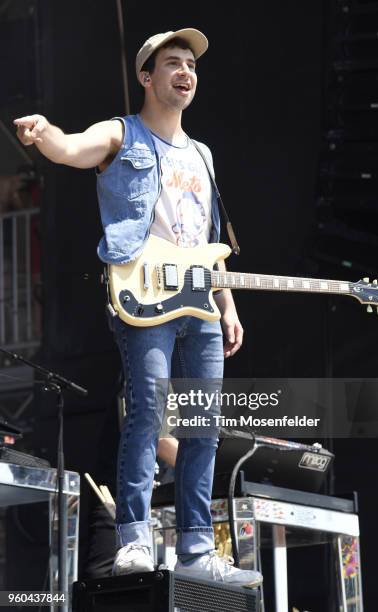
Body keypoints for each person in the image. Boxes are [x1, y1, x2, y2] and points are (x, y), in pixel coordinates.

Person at [14, 28, 262, 588]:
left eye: (192, 66)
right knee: (147, 410)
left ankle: (197, 549)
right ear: (146, 77)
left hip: (200, 304)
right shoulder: (121, 134)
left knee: (202, 425)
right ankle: (134, 536)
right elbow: (71, 148)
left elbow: (208, 238)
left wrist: (228, 306)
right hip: (145, 297)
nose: (186, 72)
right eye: (173, 63)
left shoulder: (203, 155)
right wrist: (44, 133)